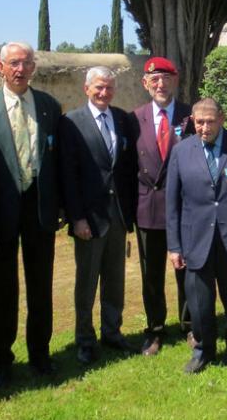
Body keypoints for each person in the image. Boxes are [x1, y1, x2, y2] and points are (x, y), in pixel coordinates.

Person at [0, 42, 62, 387]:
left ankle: (40, 354)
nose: (20, 69)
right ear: (0, 67)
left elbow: (58, 162)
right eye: (14, 63)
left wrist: (62, 208)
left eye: (26, 63)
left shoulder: (50, 107)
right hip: (0, 214)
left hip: (40, 210)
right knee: (2, 289)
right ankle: (1, 360)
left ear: (34, 67)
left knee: (41, 287)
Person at [60, 66, 137, 365]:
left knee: (115, 280)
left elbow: (125, 168)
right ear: (86, 88)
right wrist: (76, 218)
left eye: (109, 87)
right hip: (88, 218)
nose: (104, 93)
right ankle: (85, 339)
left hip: (117, 215)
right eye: (98, 88)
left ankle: (112, 331)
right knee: (87, 281)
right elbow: (69, 173)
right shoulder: (71, 122)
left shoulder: (121, 119)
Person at [166, 98, 227, 374]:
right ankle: (203, 350)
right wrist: (174, 246)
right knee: (198, 303)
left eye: (210, 121)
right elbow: (172, 201)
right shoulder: (181, 150)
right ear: (192, 121)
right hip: (194, 238)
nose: (205, 127)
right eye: (199, 122)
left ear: (221, 118)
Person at [130, 57, 194, 356]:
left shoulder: (190, 117)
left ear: (175, 80)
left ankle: (190, 325)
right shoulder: (134, 118)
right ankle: (155, 330)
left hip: (184, 208)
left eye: (166, 78)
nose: (160, 84)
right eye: (154, 79)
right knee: (152, 275)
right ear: (145, 83)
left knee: (188, 270)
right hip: (149, 208)